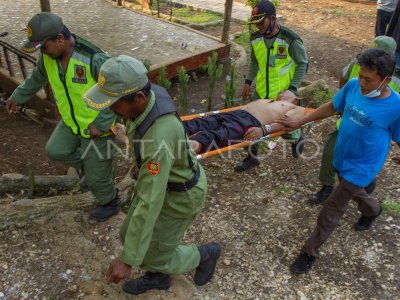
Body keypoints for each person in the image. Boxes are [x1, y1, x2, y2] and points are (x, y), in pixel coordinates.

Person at [83, 55, 221, 295]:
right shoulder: (147, 96)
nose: (111, 109)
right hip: (169, 182)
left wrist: (126, 260)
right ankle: (157, 272)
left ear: (138, 97)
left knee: (151, 255)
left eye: (114, 103)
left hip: (180, 196)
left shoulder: (158, 137)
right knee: (129, 234)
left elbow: (150, 200)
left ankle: (202, 255)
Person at [277, 48, 400, 274]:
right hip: (343, 156)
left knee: (332, 208)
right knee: (351, 190)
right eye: (361, 76)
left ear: (386, 80)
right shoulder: (353, 85)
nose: (362, 82)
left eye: (369, 80)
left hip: (364, 166)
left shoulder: (396, 107)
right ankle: (373, 209)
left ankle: (309, 252)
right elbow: (333, 107)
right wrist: (301, 121)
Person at [5, 12, 119, 221]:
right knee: (55, 150)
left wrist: (101, 124)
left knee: (97, 180)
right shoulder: (49, 57)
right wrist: (17, 97)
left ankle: (110, 201)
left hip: (97, 130)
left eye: (44, 47)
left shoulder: (94, 59)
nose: (43, 53)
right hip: (71, 121)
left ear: (59, 39)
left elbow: (116, 92)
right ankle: (90, 167)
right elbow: (36, 78)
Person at [310, 36, 399, 205]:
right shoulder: (360, 64)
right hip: (346, 123)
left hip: (369, 137)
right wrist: (344, 101)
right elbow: (344, 79)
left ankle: (365, 191)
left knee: (349, 185)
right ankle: (327, 186)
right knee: (331, 154)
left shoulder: (394, 78)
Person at [237, 0, 309, 172]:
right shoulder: (255, 38)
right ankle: (252, 157)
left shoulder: (290, 39)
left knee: (285, 128)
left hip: (283, 95)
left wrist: (292, 89)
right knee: (252, 123)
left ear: (273, 18)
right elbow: (255, 61)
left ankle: (296, 138)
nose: (258, 27)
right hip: (261, 92)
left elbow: (303, 63)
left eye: (261, 23)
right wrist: (248, 81)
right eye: (255, 23)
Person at [183, 99, 307, 154]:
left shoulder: (297, 107)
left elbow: (290, 122)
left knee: (216, 137)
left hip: (249, 123)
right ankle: (171, 132)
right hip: (233, 114)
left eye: (286, 91)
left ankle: (182, 150)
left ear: (296, 98)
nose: (283, 91)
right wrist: (218, 113)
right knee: (199, 123)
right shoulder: (268, 99)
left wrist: (263, 130)